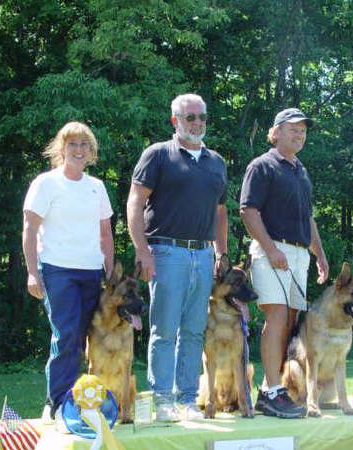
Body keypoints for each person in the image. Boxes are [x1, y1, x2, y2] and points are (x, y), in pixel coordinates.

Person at [127, 93, 228, 421]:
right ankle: (162, 400)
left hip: (204, 254)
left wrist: (221, 253)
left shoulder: (216, 162)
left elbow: (221, 213)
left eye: (202, 117)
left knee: (194, 331)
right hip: (166, 252)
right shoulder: (158, 154)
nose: (197, 123)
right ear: (175, 121)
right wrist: (142, 250)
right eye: (190, 117)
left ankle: (187, 399)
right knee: (165, 330)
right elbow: (134, 202)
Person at [22, 121, 114, 430]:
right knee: (66, 335)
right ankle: (57, 403)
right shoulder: (46, 183)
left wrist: (110, 272)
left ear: (91, 151)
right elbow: (29, 229)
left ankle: (87, 404)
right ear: (61, 149)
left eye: (84, 144)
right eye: (72, 144)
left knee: (89, 338)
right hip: (57, 270)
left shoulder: (96, 186)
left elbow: (105, 233)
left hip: (91, 272)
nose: (78, 149)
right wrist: (32, 273)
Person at [239, 108, 329, 418]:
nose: (299, 134)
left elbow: (308, 217)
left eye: (303, 130)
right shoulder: (261, 166)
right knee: (276, 316)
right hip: (272, 250)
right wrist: (270, 249)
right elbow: (248, 211)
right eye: (293, 129)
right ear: (275, 132)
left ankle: (270, 388)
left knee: (290, 321)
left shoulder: (301, 170)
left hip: (300, 254)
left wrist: (319, 254)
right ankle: (273, 391)